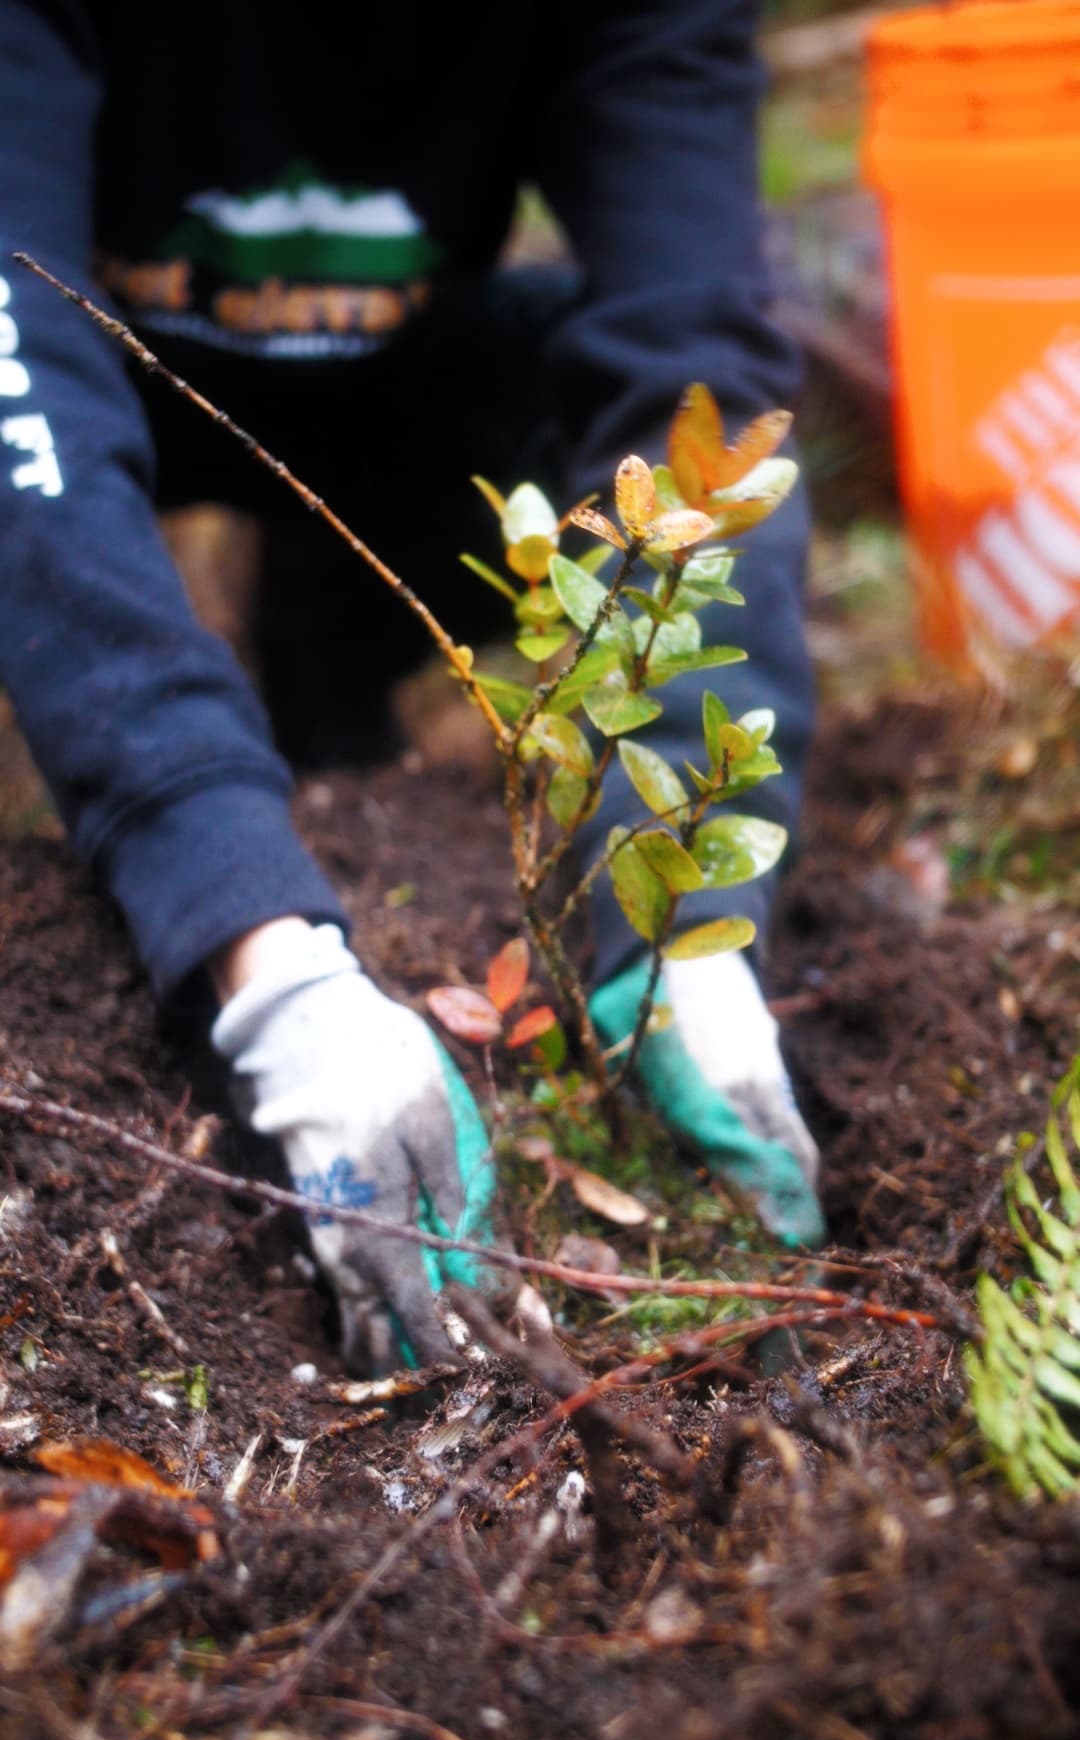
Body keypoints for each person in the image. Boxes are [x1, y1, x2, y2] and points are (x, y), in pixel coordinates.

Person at [0, 0, 823, 1373]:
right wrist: (251, 942)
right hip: (93, 385)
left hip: (395, 407)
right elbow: (15, 362)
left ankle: (328, 689)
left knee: (570, 371)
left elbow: (695, 361)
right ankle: (215, 751)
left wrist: (691, 915)